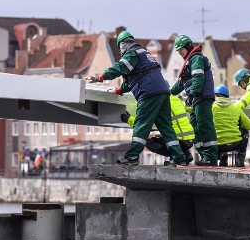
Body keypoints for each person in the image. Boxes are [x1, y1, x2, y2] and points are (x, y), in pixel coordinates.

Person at [86, 31, 188, 166]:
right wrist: (120, 90)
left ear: (122, 45)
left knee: (141, 125)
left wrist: (101, 77)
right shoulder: (144, 53)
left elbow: (120, 68)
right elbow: (134, 79)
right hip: (163, 92)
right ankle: (179, 157)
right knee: (166, 127)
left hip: (149, 93)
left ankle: (132, 156)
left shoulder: (132, 53)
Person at [169, 35, 218, 166]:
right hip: (197, 98)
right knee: (195, 128)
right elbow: (180, 84)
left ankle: (211, 157)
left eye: (181, 50)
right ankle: (204, 155)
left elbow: (198, 78)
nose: (180, 54)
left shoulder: (196, 58)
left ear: (187, 47)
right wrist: (168, 93)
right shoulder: (190, 62)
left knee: (204, 125)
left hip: (202, 97)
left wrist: (193, 94)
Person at [121, 94, 195, 164]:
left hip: (178, 139)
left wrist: (129, 119)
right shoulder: (176, 99)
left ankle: (177, 157)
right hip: (189, 139)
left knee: (150, 143)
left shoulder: (158, 103)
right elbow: (190, 108)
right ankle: (186, 154)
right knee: (165, 137)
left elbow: (146, 123)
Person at [212, 84, 250, 167]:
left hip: (217, 144)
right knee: (245, 130)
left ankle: (221, 155)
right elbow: (249, 125)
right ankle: (240, 158)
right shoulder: (235, 108)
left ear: (215, 95)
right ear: (227, 96)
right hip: (235, 144)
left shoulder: (211, 107)